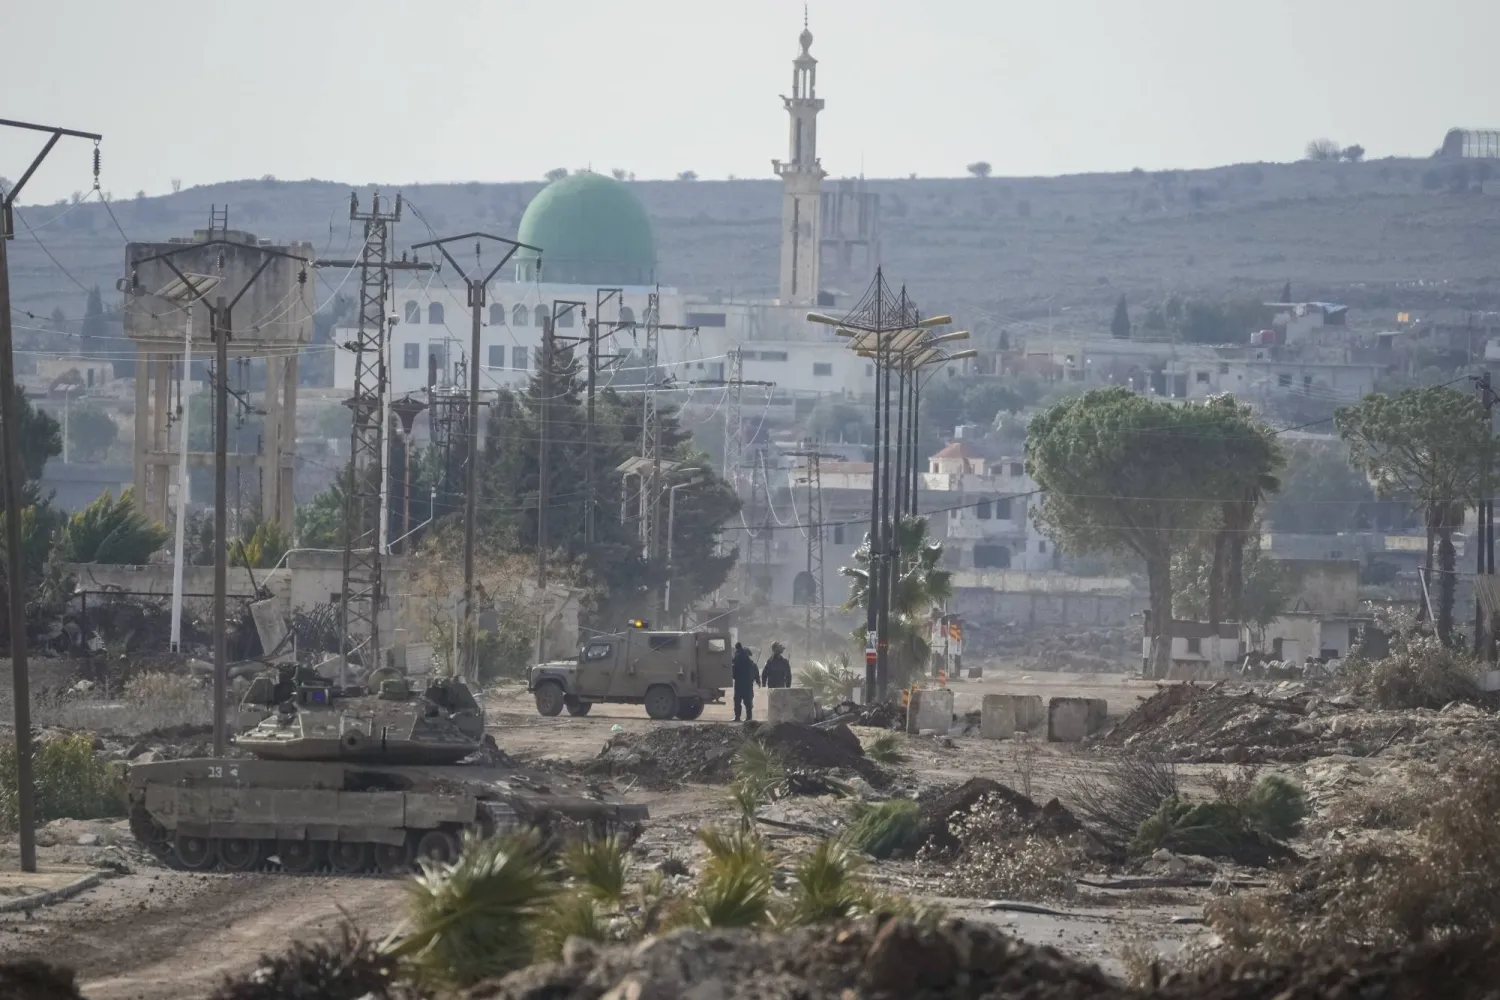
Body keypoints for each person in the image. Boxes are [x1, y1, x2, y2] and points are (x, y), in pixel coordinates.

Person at [731, 642, 760, 722]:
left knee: (741, 701)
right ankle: (747, 717)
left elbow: (733, 672)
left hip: (741, 683)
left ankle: (740, 717)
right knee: (746, 701)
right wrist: (758, 681)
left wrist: (758, 680)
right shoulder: (750, 663)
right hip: (746, 684)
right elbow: (756, 674)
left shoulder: (738, 661)